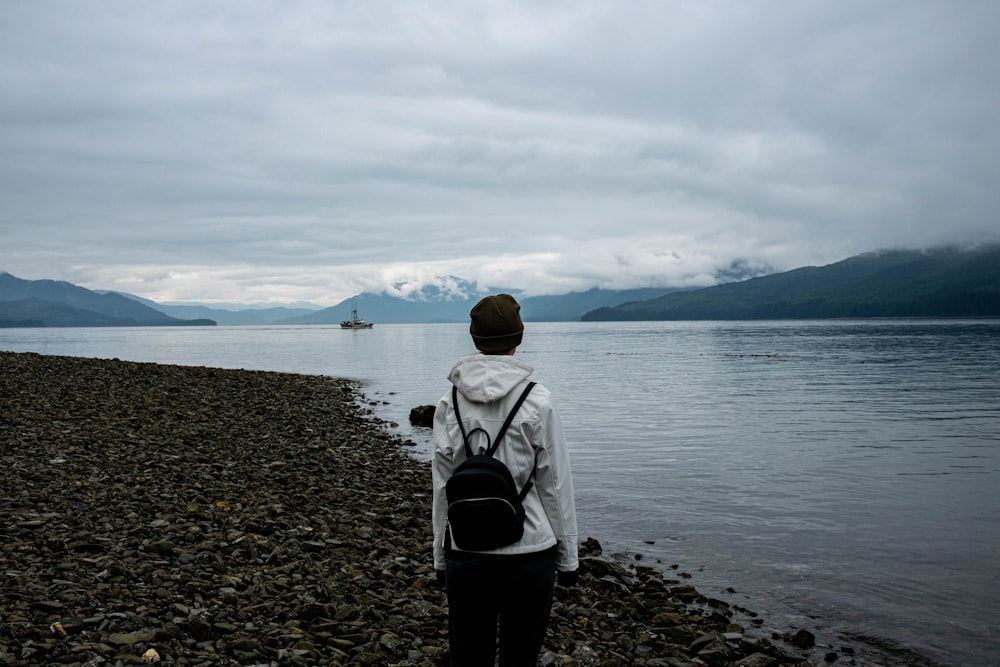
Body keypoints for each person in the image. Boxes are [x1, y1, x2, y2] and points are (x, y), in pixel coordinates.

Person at [432, 293, 579, 667]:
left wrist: (439, 557)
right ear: (519, 337)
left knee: (469, 658)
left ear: (474, 338)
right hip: (530, 554)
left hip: (466, 552)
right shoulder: (538, 400)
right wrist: (569, 560)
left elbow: (442, 486)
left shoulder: (450, 400)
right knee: (520, 658)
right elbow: (555, 485)